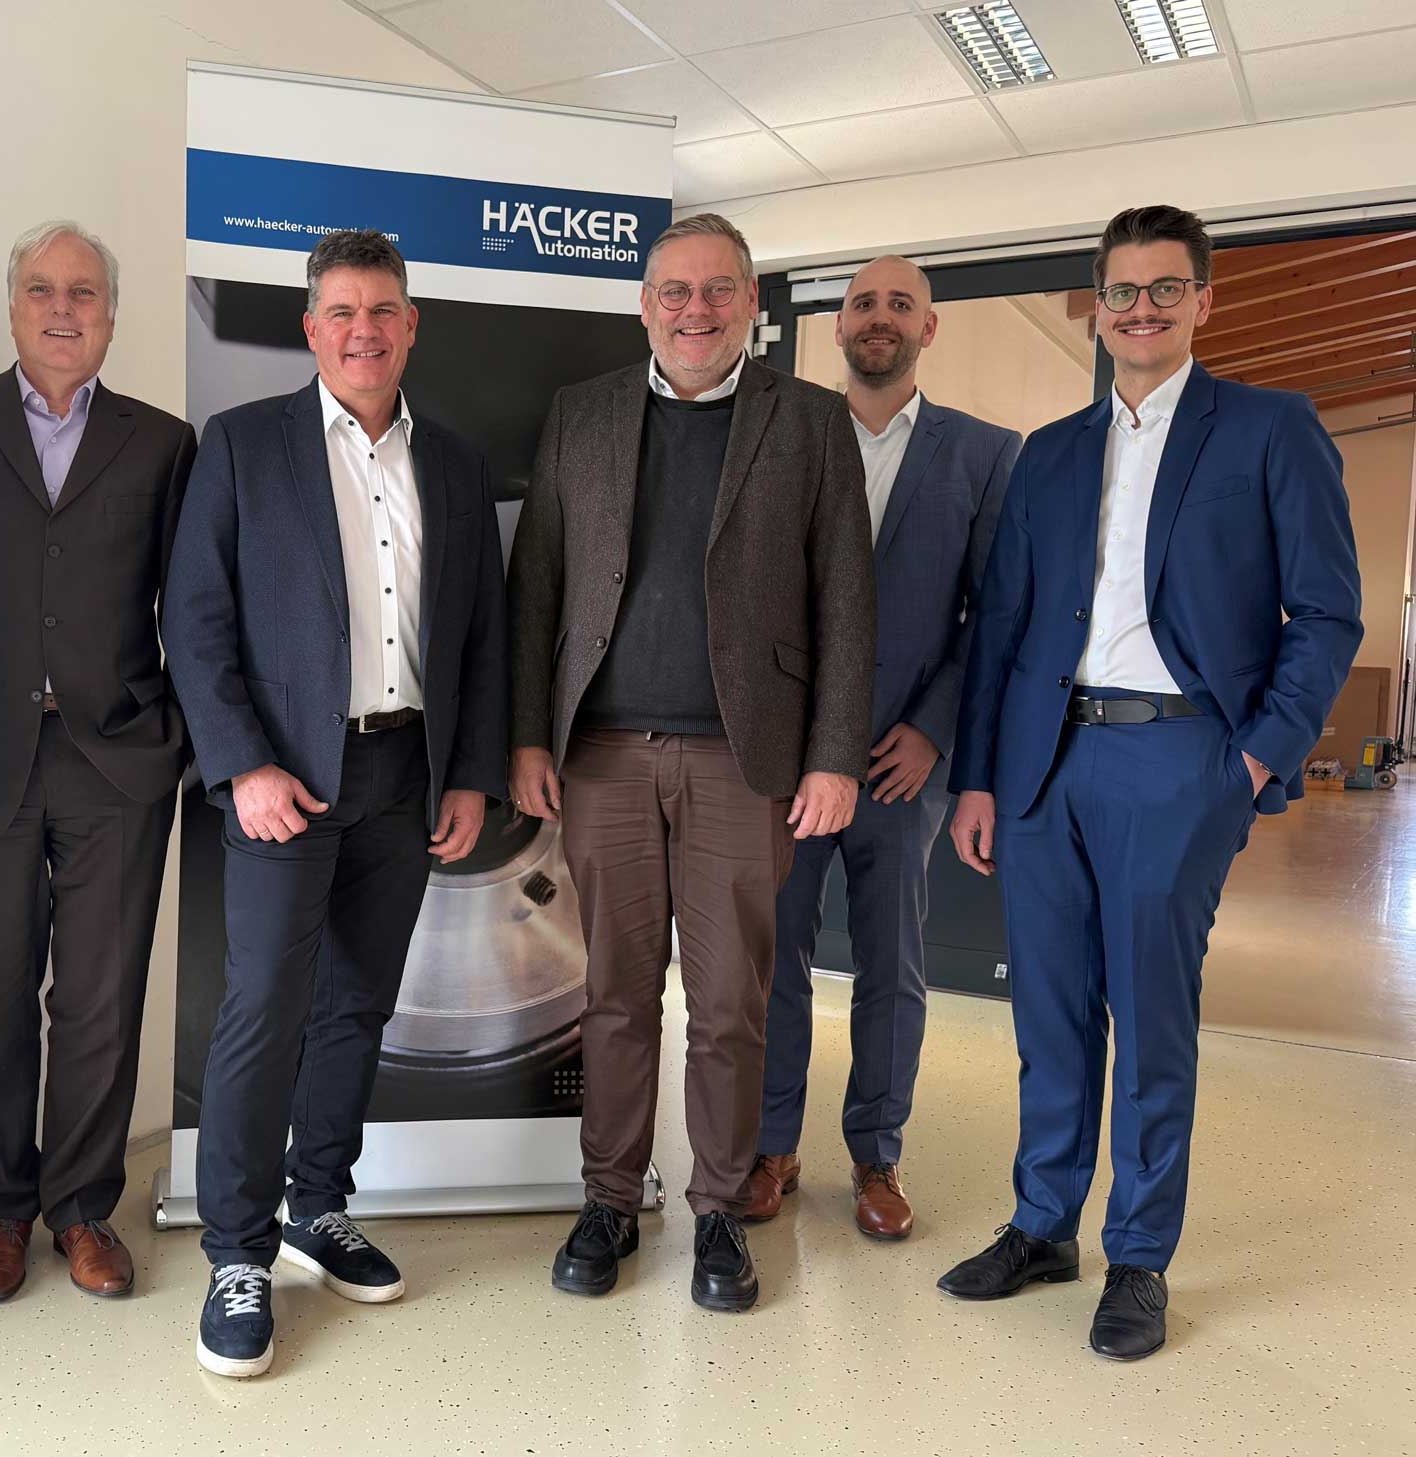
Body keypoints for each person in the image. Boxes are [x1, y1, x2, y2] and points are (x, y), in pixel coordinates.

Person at [939, 205, 1362, 1361]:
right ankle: (1042, 1223)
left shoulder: (1271, 428)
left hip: (1180, 757)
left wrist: (1257, 756)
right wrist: (978, 779)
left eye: (1166, 288)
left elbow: (1328, 613)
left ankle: (1138, 1254)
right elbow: (1003, 623)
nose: (1141, 308)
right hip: (1044, 759)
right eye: (1121, 290)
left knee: (1151, 1013)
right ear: (1098, 304)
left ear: (1203, 300)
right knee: (1049, 1009)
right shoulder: (1050, 450)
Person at [506, 213, 874, 1314]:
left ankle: (719, 1205)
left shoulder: (810, 422)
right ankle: (610, 1199)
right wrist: (529, 735)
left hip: (743, 762)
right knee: (614, 996)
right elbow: (537, 586)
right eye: (675, 290)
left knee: (728, 1003)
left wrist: (834, 755)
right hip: (604, 757)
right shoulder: (581, 414)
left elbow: (847, 599)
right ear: (645, 306)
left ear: (751, 303)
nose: (696, 310)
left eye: (719, 290)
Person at [163, 229, 507, 1377]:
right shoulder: (243, 444)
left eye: (384, 310)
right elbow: (196, 620)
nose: (365, 330)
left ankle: (320, 1205)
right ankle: (237, 1251)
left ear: (412, 326)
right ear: (312, 329)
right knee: (263, 1006)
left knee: (357, 1002)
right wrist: (240, 765)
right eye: (343, 312)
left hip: (407, 777)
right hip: (285, 780)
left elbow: (482, 633)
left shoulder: (454, 463)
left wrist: (471, 773)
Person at [0, 222, 194, 1303]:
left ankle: (82, 1206)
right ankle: (1, 1209)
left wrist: (178, 734)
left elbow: (195, 606)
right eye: (41, 287)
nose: (63, 307)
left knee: (99, 998)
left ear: (111, 315)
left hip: (117, 760)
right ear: (12, 306)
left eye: (84, 291)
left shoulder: (161, 441)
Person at [750, 256, 1018, 1240]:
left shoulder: (985, 454)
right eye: (863, 302)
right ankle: (771, 1144)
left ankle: (877, 1153)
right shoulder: (782, 436)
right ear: (838, 325)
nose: (880, 316)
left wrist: (935, 729)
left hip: (903, 763)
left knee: (892, 966)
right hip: (788, 760)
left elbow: (993, 614)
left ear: (927, 329)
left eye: (901, 304)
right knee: (773, 958)